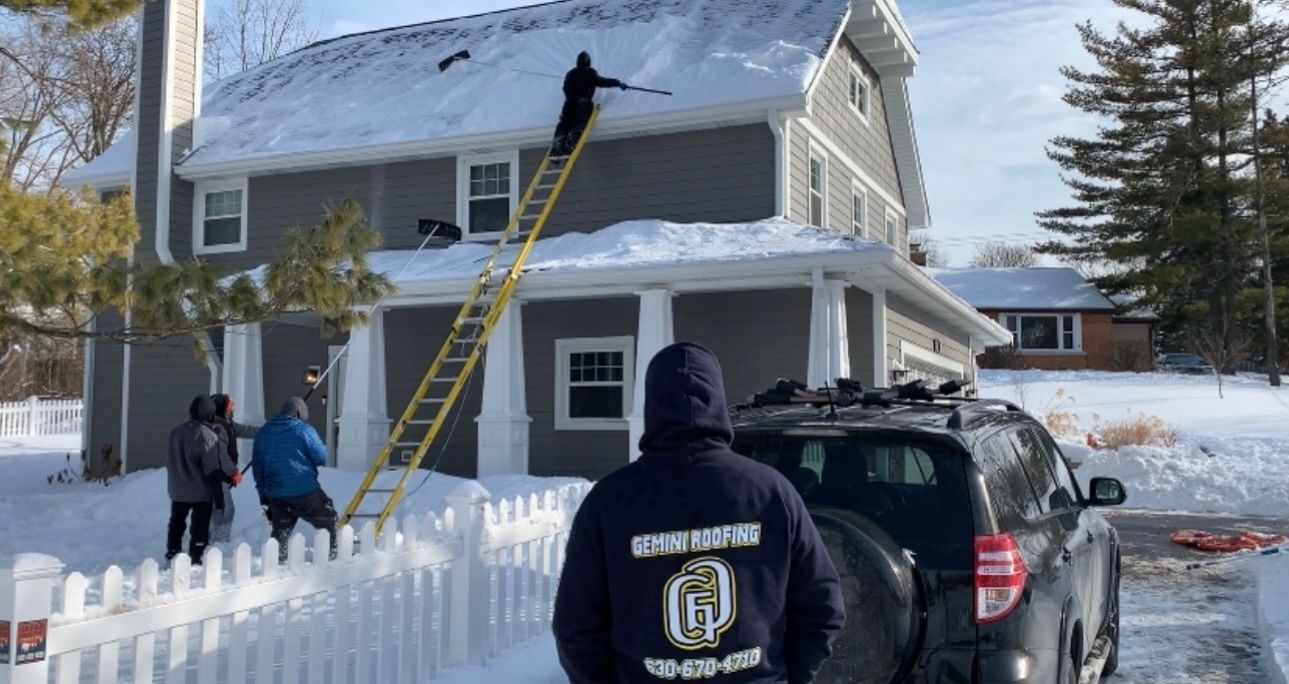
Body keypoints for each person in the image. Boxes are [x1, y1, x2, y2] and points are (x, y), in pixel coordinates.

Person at [552, 343, 846, 683]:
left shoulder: (608, 500)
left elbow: (575, 627)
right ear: (718, 401)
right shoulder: (772, 492)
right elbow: (823, 605)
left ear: (651, 404)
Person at [252, 397, 338, 562]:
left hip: (276, 494)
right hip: (304, 490)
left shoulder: (263, 433)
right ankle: (332, 554)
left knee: (281, 531)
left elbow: (258, 469)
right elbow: (321, 456)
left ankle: (277, 562)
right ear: (299, 413)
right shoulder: (305, 430)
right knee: (327, 518)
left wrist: (263, 495)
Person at [166, 394, 240, 565]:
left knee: (176, 523)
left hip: (177, 489)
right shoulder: (208, 435)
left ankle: (172, 551)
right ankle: (196, 555)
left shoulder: (175, 432)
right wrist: (219, 500)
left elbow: (171, 460)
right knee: (199, 525)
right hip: (200, 492)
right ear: (208, 414)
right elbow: (212, 470)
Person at [551, 51, 627, 157]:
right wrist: (618, 83)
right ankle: (570, 142)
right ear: (588, 62)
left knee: (564, 123)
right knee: (579, 123)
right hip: (583, 103)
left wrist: (570, 97)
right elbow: (601, 82)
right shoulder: (590, 72)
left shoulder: (570, 74)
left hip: (568, 103)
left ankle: (558, 144)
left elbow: (565, 88)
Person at [208, 394, 261, 544]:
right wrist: (234, 472)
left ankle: (209, 539)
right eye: (230, 405)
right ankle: (219, 542)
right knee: (225, 509)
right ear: (222, 407)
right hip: (215, 475)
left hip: (218, 476)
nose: (233, 408)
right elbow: (220, 454)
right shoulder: (218, 427)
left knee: (215, 508)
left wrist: (269, 429)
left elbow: (247, 430)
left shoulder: (227, 424)